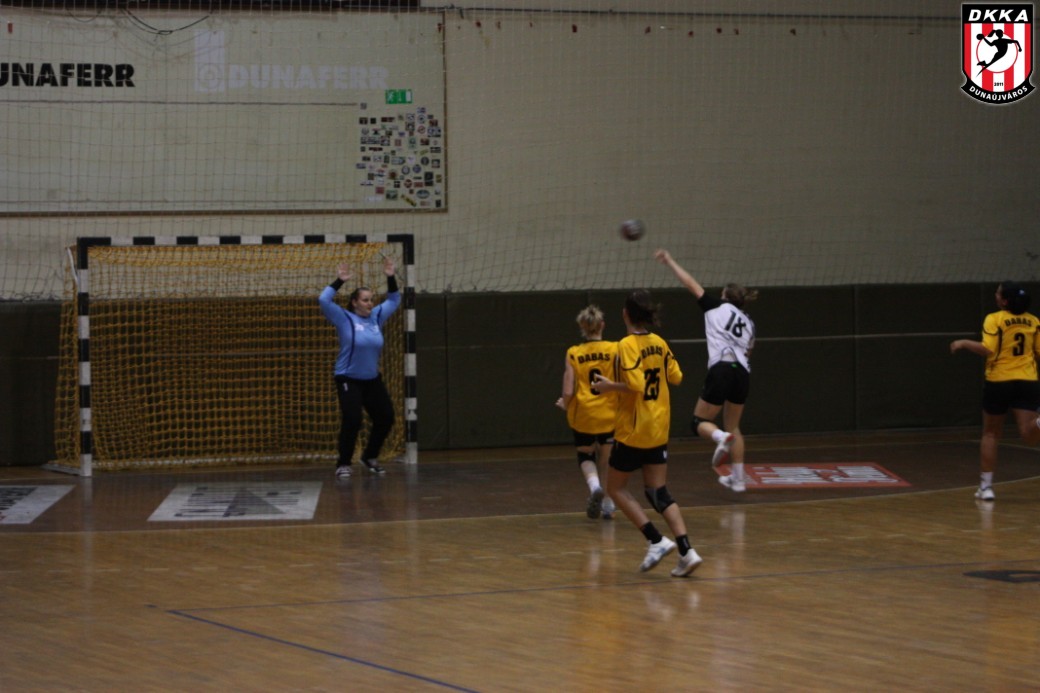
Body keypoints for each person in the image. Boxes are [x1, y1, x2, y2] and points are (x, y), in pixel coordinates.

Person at [591, 289, 703, 577]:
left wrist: (609, 387)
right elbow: (677, 377)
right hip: (658, 427)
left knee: (615, 489)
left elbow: (637, 385)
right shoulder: (659, 343)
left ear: (625, 314)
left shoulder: (626, 345)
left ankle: (655, 540)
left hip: (634, 429)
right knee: (658, 491)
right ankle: (687, 551)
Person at [655, 249, 757, 493]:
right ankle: (738, 479)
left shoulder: (715, 306)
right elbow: (749, 351)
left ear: (725, 296)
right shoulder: (749, 323)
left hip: (722, 367)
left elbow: (690, 283)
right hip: (742, 373)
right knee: (734, 426)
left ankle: (719, 438)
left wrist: (670, 261)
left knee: (699, 421)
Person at [950, 281, 1040, 501]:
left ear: (1005, 301)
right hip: (1027, 380)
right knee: (1028, 434)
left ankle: (986, 487)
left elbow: (987, 349)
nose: (995, 295)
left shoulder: (995, 318)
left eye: (998, 293)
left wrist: (963, 343)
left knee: (990, 433)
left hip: (999, 381)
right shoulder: (1034, 321)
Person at [319, 254, 401, 479]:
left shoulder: (376, 317)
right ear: (355, 302)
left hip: (371, 379)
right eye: (365, 300)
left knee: (386, 417)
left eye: (371, 300)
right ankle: (343, 463)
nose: (370, 303)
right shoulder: (344, 318)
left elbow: (394, 300)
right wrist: (339, 280)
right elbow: (324, 300)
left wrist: (390, 277)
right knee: (353, 419)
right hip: (348, 378)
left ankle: (369, 456)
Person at [555, 305, 618, 520]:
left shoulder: (574, 353)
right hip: (609, 413)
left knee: (585, 454)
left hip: (583, 413)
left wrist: (566, 404)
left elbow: (568, 390)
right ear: (602, 325)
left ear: (582, 327)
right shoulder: (615, 349)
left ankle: (594, 487)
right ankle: (608, 504)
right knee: (607, 458)